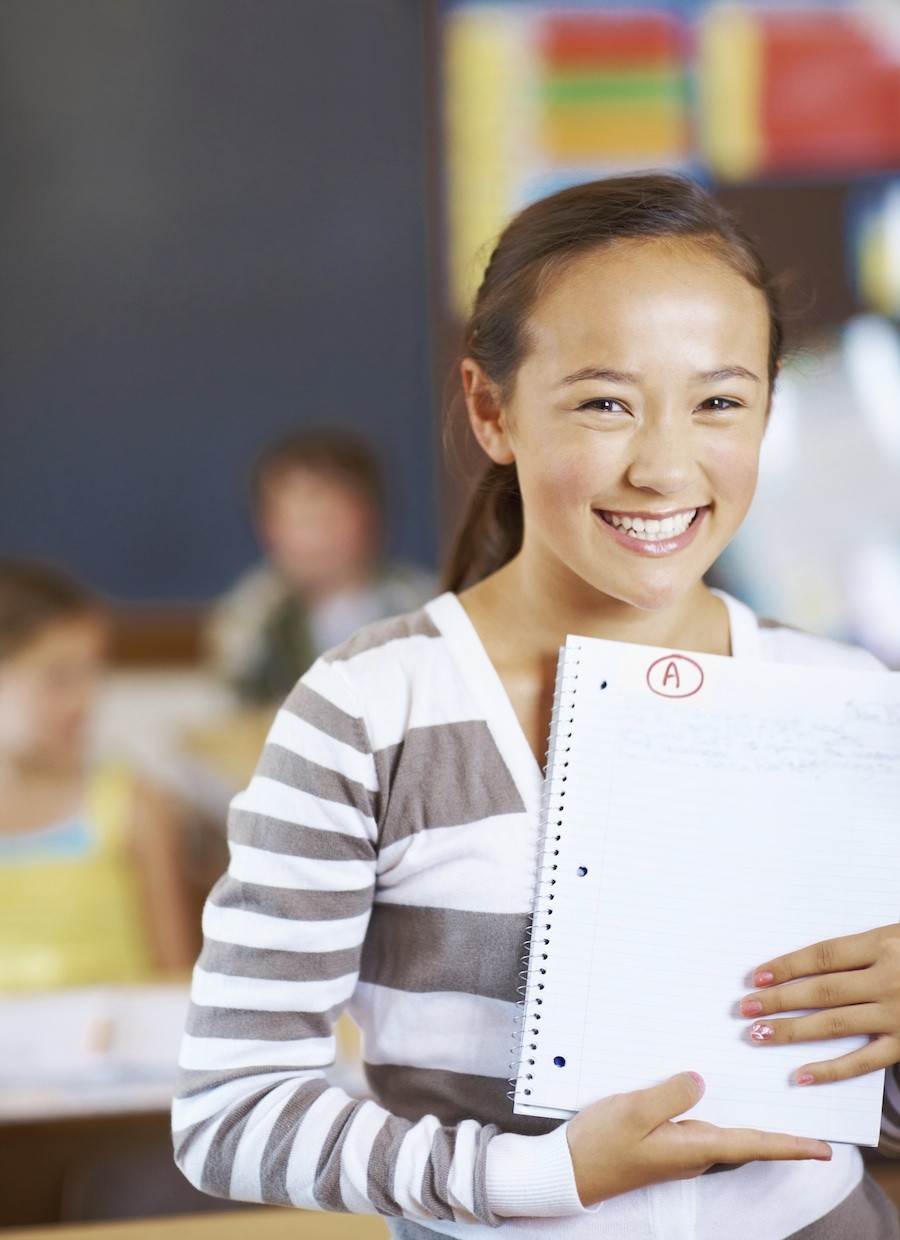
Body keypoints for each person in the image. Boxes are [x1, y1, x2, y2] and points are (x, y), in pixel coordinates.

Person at [172, 175, 900, 1238]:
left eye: (720, 401)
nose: (663, 465)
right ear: (491, 408)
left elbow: (861, 1100)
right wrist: (540, 1176)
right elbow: (229, 1112)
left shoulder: (846, 704)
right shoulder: (370, 710)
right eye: (604, 401)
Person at [0, 560, 198, 990]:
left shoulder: (132, 806)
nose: (84, 700)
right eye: (58, 678)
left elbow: (177, 986)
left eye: (93, 672)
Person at [207, 428, 435, 704]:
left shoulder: (424, 607)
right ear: (265, 529)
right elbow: (238, 712)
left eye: (331, 517)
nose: (317, 538)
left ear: (373, 517)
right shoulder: (252, 618)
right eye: (300, 520)